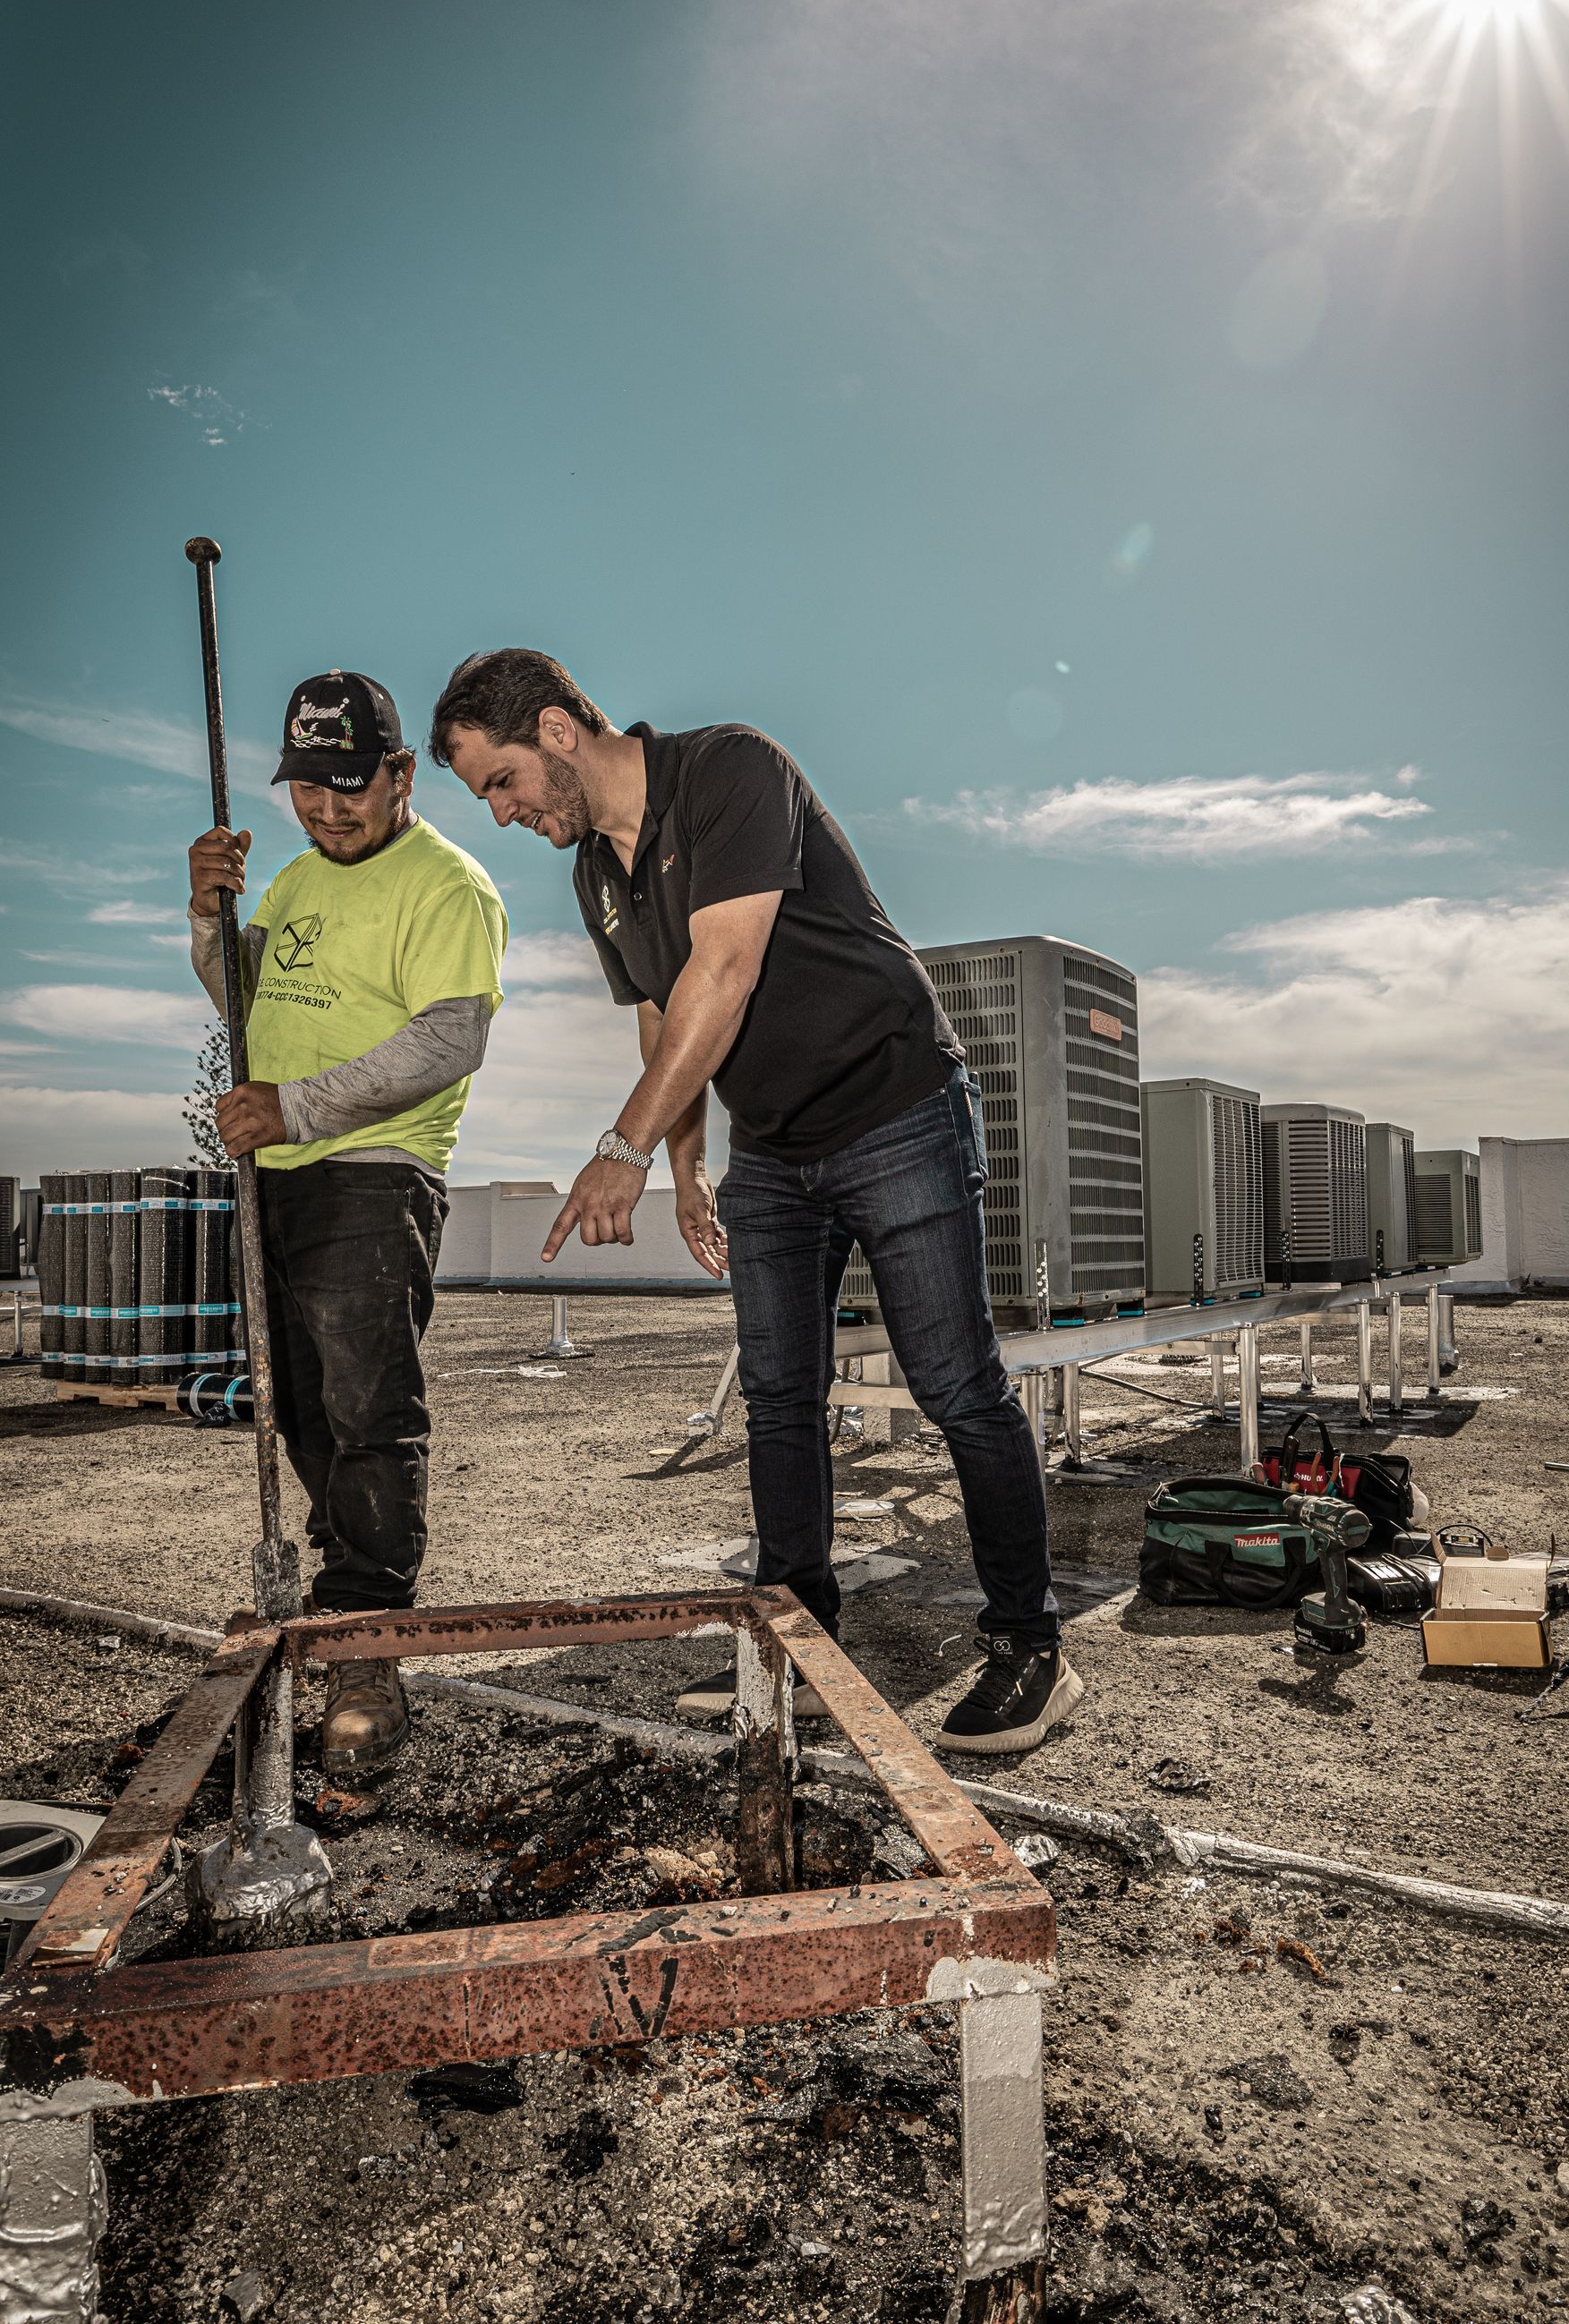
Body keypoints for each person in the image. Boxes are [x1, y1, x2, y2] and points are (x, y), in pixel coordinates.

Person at [430, 649, 1080, 1756]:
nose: (500, 813)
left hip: (896, 1108)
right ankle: (796, 1647)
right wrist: (686, 1168)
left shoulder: (731, 770)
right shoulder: (595, 874)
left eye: (499, 782)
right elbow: (659, 1011)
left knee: (956, 1385)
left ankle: (1031, 1650)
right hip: (774, 1153)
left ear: (553, 731)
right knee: (779, 1398)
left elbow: (723, 970)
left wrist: (623, 1149)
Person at [187, 671, 507, 1776]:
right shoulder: (289, 880)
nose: (329, 808)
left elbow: (448, 1041)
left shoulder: (446, 885)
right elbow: (242, 1001)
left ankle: (369, 1641)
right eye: (308, 788)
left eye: (349, 784)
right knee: (304, 1405)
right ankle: (337, 1593)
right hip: (275, 1171)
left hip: (374, 1171)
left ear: (399, 775)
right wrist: (208, 914)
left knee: (370, 1402)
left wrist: (301, 1106)